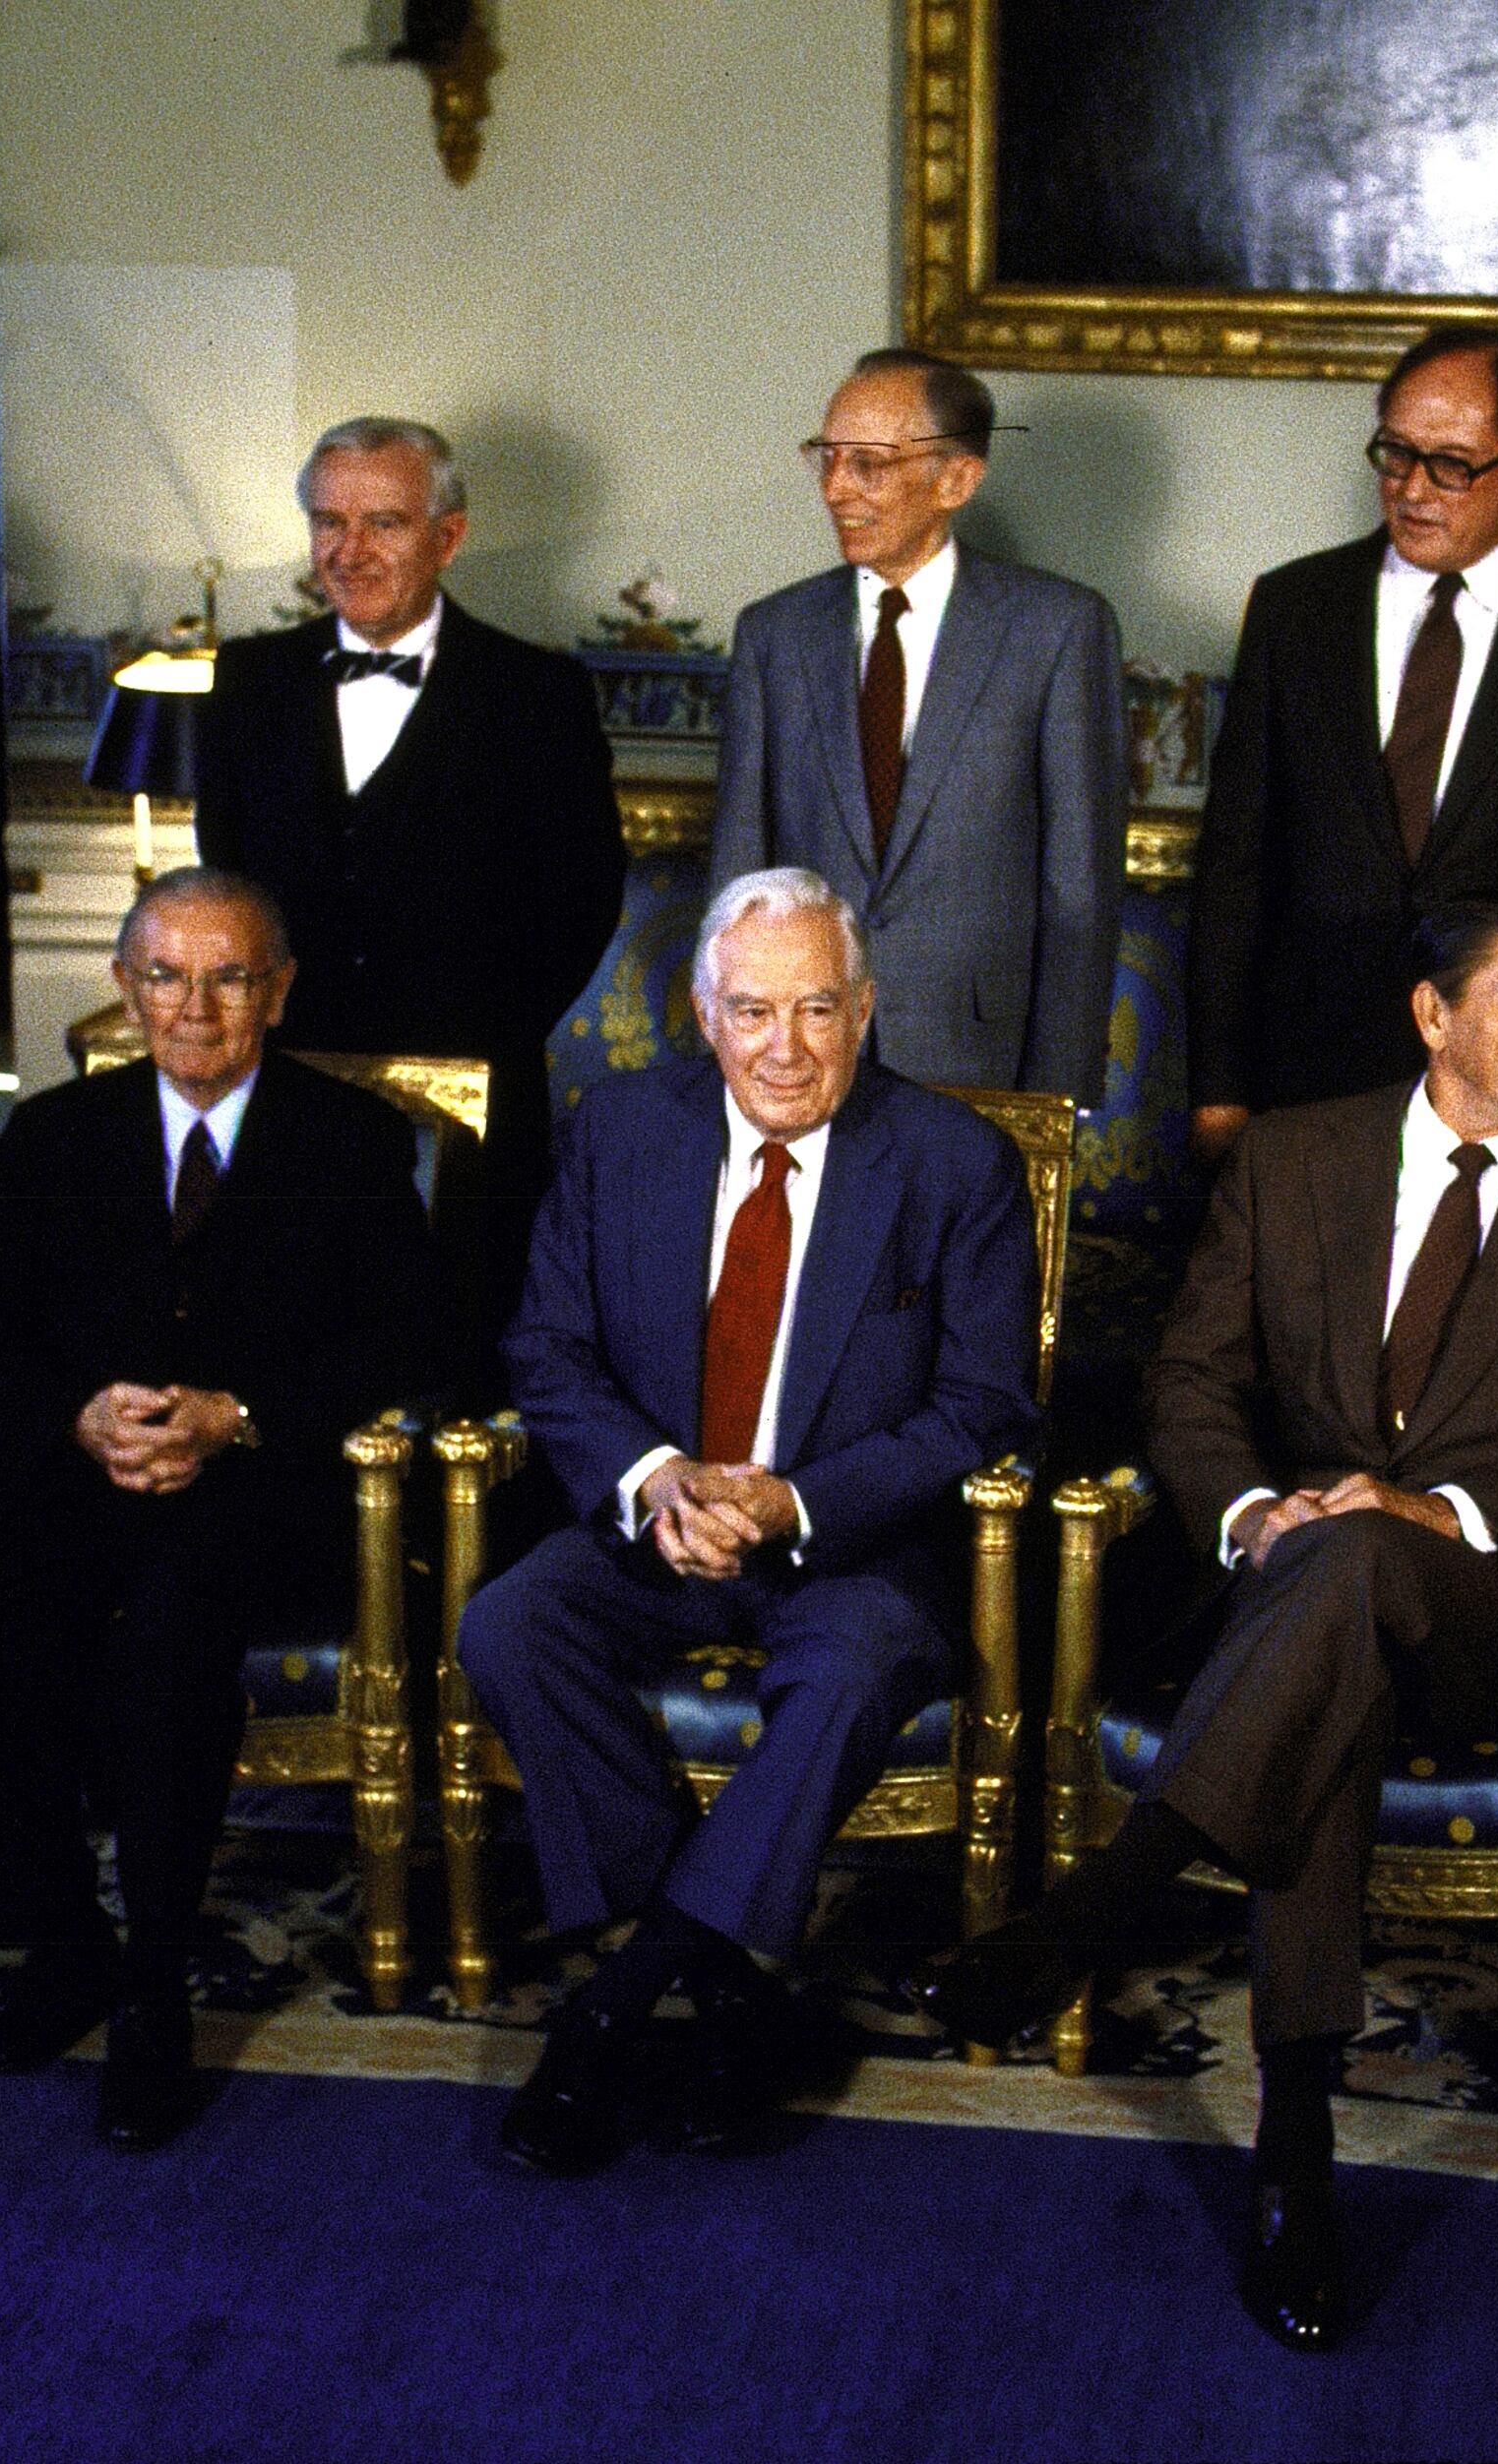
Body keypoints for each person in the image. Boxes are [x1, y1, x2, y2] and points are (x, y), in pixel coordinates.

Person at [918, 902, 1498, 2351]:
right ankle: (1296, 2158)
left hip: (1490, 1613)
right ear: (1433, 1015)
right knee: (1321, 1675)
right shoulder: (1294, 1158)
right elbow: (1190, 1385)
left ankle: (1115, 1893)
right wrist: (1250, 1513)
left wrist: (1436, 1513)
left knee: (1352, 1574)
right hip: (1291, 1593)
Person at [456, 867, 1040, 2178]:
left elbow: (982, 1413)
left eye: (818, 1010)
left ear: (867, 1012)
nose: (786, 1047)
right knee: (508, 1624)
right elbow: (545, 1350)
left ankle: (614, 2004)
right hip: (654, 1530)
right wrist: (658, 1477)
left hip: (851, 1550)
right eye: (754, 1012)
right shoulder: (616, 1132)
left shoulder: (954, 1165)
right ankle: (729, 1988)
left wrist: (792, 1500)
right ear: (706, 1017)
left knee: (851, 1674)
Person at [0, 868, 446, 2150]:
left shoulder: (352, 1140)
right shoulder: (54, 1136)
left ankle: (153, 1986)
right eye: (165, 975)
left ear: (280, 989)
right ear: (123, 987)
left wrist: (237, 1415)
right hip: (79, 1475)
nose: (194, 1007)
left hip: (260, 1493)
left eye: (229, 976)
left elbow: (414, 1336)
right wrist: (76, 1418)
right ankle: (63, 1942)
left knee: (167, 1643)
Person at [192, 415, 627, 1367]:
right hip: (288, 1070)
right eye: (327, 522)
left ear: (449, 535)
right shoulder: (247, 679)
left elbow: (583, 893)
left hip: (474, 1079)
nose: (348, 552)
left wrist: (483, 1031)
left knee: (461, 1346)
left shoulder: (536, 692)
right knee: (285, 1346)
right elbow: (224, 876)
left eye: (382, 523)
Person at [1187, 323, 1498, 1147]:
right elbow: (1235, 871)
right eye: (1395, 454)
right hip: (1311, 1075)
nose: (1414, 489)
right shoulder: (1295, 606)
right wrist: (1218, 1091)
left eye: (1451, 465)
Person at [710, 347, 1126, 1104]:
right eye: (827, 459)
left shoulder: (1058, 629)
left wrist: (1055, 1100)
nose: (837, 489)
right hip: (797, 1062)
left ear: (957, 479)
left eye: (869, 464)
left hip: (978, 1061)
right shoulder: (774, 634)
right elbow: (740, 876)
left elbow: (1079, 893)